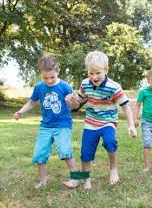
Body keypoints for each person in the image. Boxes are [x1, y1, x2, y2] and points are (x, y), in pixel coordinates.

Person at [64, 51, 137, 189]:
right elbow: (78, 103)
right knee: (86, 152)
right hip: (91, 122)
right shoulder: (85, 84)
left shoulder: (114, 87)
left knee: (110, 142)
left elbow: (126, 107)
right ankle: (85, 179)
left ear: (106, 69)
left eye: (97, 73)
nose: (94, 77)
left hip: (108, 121)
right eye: (91, 73)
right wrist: (71, 101)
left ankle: (113, 170)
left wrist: (131, 125)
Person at [13, 55, 87, 189]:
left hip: (63, 124)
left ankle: (76, 179)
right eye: (45, 78)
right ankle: (43, 181)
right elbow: (31, 103)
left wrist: (73, 102)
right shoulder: (39, 87)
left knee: (65, 150)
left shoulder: (65, 86)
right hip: (46, 126)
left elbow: (75, 106)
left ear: (57, 71)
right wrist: (20, 112)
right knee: (39, 153)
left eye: (52, 77)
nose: (49, 81)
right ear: (41, 74)